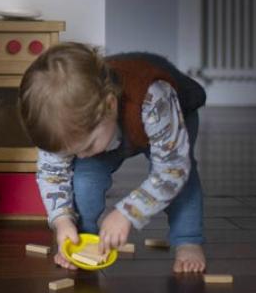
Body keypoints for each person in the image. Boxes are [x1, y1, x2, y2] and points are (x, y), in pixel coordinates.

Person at [18, 43, 208, 274]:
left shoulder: (154, 97)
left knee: (182, 180)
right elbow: (53, 174)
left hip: (171, 117)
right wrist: (62, 221)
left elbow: (172, 170)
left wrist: (127, 212)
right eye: (71, 152)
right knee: (84, 178)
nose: (80, 156)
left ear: (109, 104)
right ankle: (82, 237)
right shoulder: (60, 125)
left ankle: (187, 238)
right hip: (113, 128)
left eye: (86, 146)